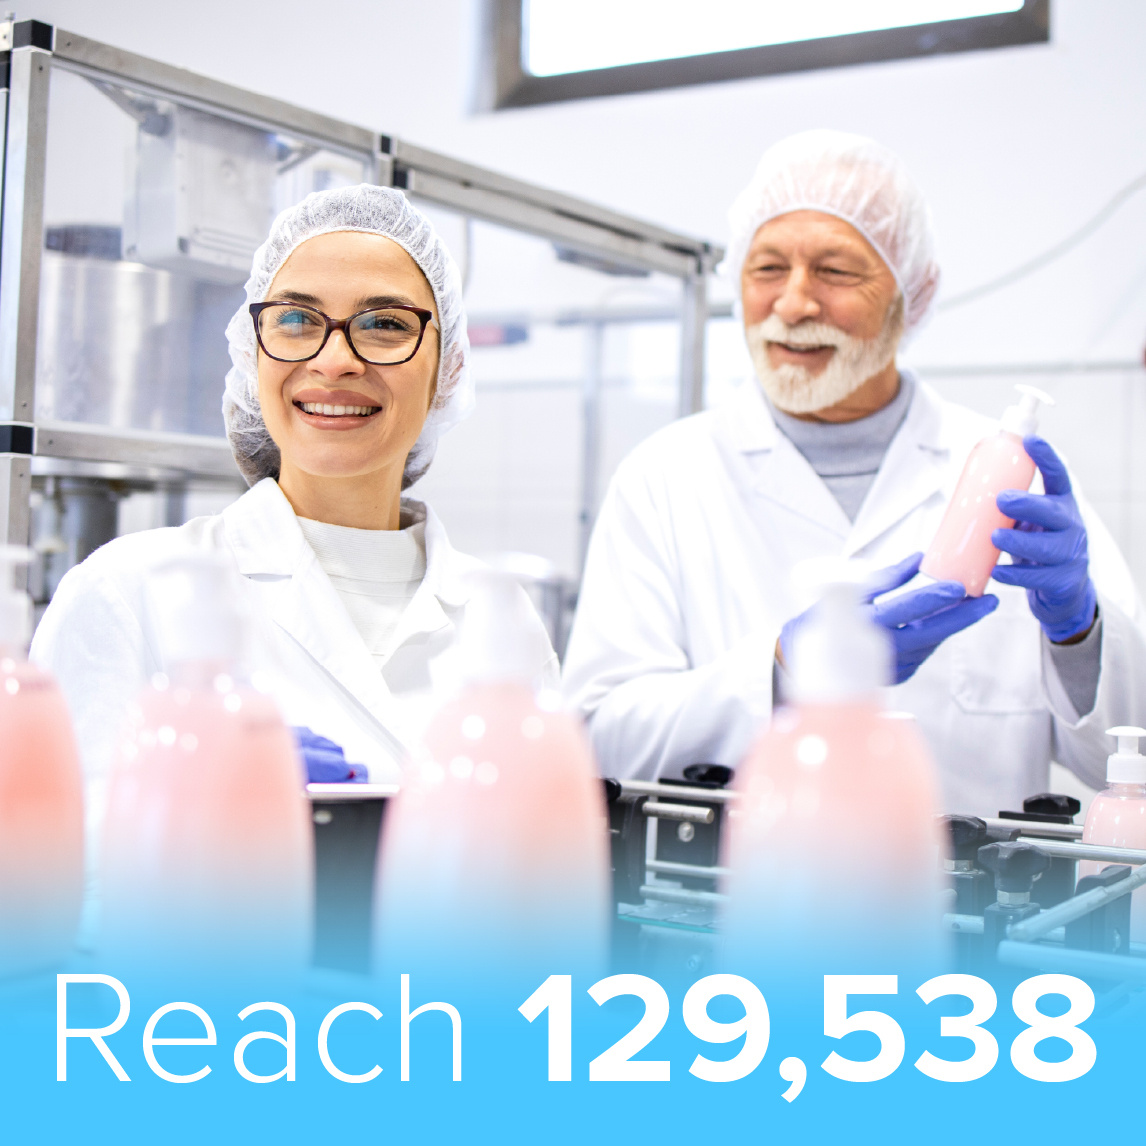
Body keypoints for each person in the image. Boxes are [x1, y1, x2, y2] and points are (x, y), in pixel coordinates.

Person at [562, 130, 1146, 816]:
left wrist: (1078, 634)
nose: (794, 303)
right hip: (728, 910)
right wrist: (780, 671)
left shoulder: (1013, 479)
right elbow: (597, 743)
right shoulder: (664, 477)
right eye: (768, 268)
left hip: (967, 911)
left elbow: (1123, 759)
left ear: (911, 297)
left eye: (836, 271)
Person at [32, 185, 556, 816]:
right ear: (254, 355)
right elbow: (48, 881)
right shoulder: (126, 591)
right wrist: (194, 813)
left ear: (450, 369)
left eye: (385, 324)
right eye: (297, 319)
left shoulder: (504, 620)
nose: (334, 361)